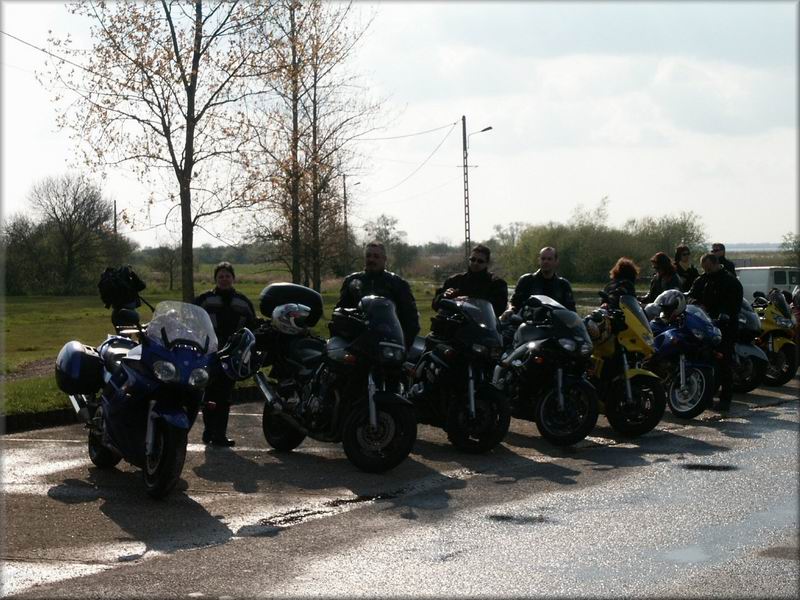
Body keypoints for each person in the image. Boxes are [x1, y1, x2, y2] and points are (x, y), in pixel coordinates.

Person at [194, 261, 257, 447]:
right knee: (209, 391)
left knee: (225, 394)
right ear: (215, 279)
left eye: (227, 276)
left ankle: (219, 434)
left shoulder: (243, 301)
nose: (224, 279)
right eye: (220, 276)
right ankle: (209, 431)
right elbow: (193, 320)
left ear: (233, 278)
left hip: (232, 354)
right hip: (209, 351)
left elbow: (252, 326)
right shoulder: (204, 299)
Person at [688, 253, 744, 413]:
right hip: (705, 325)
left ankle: (725, 400)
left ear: (715, 264)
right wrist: (696, 303)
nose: (706, 271)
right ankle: (705, 397)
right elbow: (691, 295)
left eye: (708, 268)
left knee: (724, 363)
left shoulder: (730, 281)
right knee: (704, 361)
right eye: (704, 268)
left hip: (725, 327)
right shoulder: (702, 280)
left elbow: (734, 304)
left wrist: (724, 314)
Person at [336, 241, 420, 347]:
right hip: (356, 341)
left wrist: (403, 346)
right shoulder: (352, 281)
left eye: (376, 256)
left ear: (384, 259)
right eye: (368, 256)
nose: (371, 259)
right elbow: (340, 312)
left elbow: (411, 318)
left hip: (388, 342)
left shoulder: (397, 284)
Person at [432, 244, 508, 318]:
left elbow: (499, 309)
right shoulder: (454, 280)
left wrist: (468, 299)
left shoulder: (496, 284)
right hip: (454, 323)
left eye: (480, 261)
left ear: (487, 263)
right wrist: (444, 296)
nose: (475, 263)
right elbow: (435, 304)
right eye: (473, 260)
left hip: (481, 323)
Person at [508, 246, 576, 314]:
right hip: (530, 319)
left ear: (556, 261)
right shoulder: (526, 281)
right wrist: (510, 310)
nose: (546, 262)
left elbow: (571, 311)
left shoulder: (563, 285)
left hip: (555, 320)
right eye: (543, 259)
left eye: (549, 259)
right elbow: (514, 303)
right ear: (539, 260)